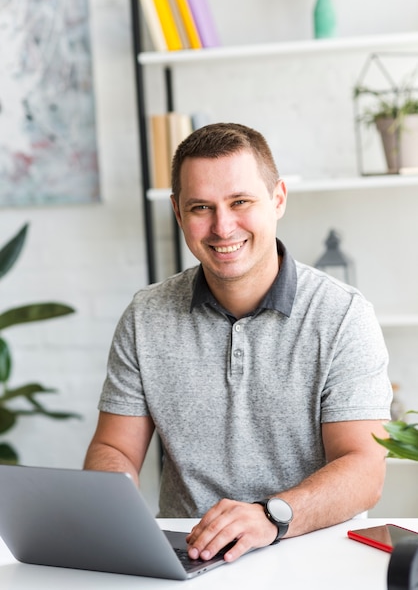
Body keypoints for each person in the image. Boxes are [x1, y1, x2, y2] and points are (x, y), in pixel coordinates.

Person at [84, 122, 392, 564]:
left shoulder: (343, 315)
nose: (222, 227)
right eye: (200, 208)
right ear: (177, 212)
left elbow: (364, 468)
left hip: (314, 552)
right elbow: (114, 448)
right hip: (190, 555)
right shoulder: (145, 315)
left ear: (278, 199)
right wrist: (113, 513)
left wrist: (270, 516)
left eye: (240, 202)